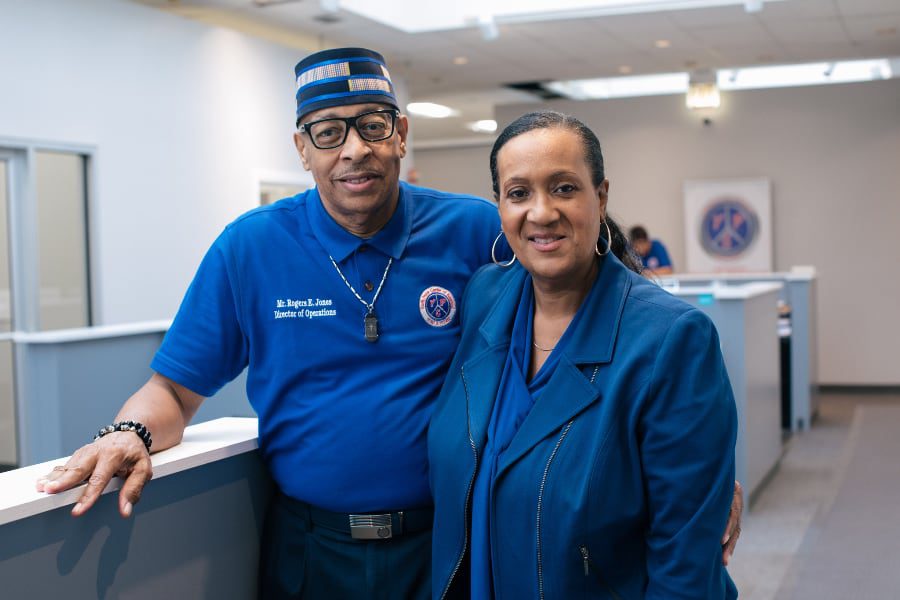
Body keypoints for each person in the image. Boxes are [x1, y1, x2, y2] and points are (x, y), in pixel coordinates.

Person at [33, 48, 741, 599]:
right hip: (309, 546)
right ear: (301, 146)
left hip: (445, 542)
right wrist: (129, 432)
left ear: (401, 134)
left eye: (373, 125)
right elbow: (175, 391)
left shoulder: (475, 230)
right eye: (329, 132)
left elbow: (589, 284)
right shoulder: (250, 249)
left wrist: (694, 467)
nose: (354, 149)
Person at [428, 111, 739, 599]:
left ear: (601, 196)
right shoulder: (485, 298)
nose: (541, 211)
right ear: (500, 208)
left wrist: (714, 488)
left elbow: (685, 566)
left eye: (564, 188)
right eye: (518, 193)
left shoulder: (672, 339)